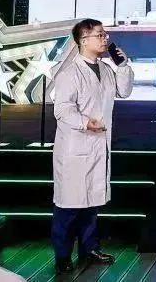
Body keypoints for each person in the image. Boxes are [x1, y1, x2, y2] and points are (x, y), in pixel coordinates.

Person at [51, 19, 134, 274]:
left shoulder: (106, 70)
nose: (105, 39)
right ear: (83, 40)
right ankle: (62, 255)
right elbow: (62, 110)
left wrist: (123, 66)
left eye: (105, 34)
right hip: (76, 146)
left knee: (91, 205)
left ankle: (90, 249)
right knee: (69, 207)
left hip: (98, 145)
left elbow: (125, 91)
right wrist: (85, 122)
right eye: (99, 35)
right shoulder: (69, 74)